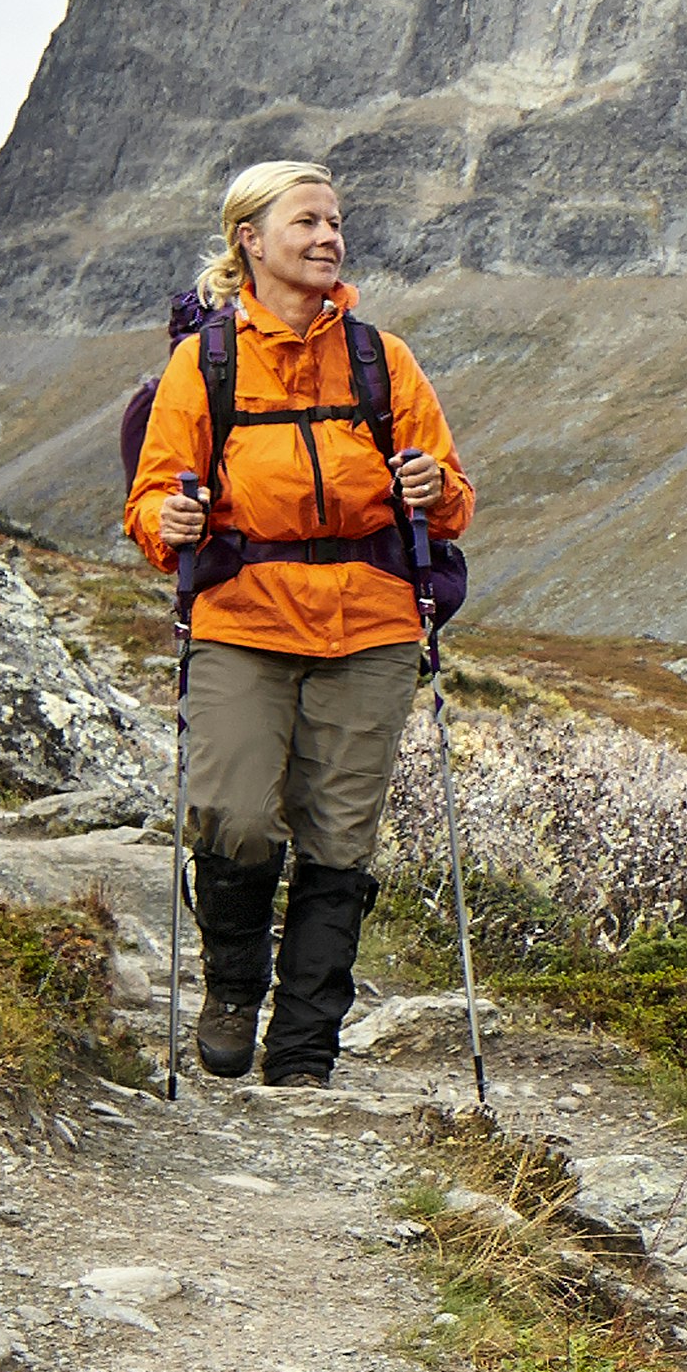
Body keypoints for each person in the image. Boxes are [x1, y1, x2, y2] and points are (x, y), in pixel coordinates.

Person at [128, 157, 472, 1088]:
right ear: (250, 239)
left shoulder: (381, 358)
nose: (329, 237)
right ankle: (233, 990)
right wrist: (171, 521)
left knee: (339, 839)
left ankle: (306, 1049)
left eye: (335, 222)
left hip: (372, 629)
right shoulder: (205, 363)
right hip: (244, 620)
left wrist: (435, 490)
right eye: (307, 221)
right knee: (233, 816)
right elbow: (152, 493)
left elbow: (454, 497)